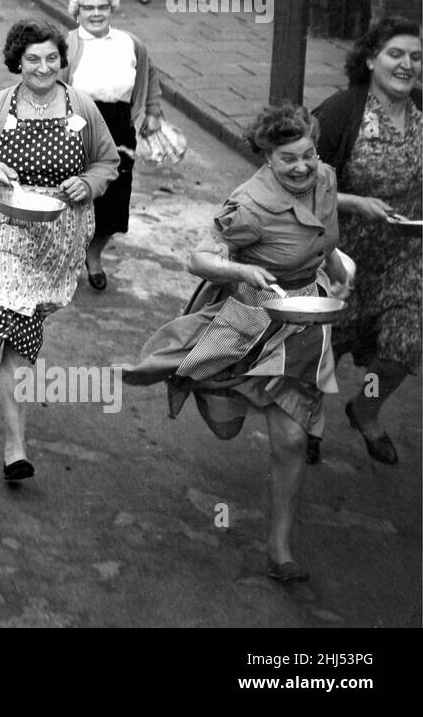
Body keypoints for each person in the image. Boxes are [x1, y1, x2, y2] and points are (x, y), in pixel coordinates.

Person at [124, 105, 352, 583]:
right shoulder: (247, 206)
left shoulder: (326, 179)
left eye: (309, 154)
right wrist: (241, 269)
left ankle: (280, 548)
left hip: (306, 319)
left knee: (290, 436)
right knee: (223, 405)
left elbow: (322, 236)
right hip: (251, 316)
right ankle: (220, 387)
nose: (303, 166)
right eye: (288, 158)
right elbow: (198, 258)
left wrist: (332, 267)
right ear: (267, 157)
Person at [0, 19, 119, 482]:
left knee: (22, 328)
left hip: (60, 237)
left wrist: (88, 182)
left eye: (52, 58)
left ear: (63, 61)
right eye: (32, 59)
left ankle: (6, 375)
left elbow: (108, 162)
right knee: (19, 337)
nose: (43, 67)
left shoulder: (82, 106)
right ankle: (14, 446)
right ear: (17, 62)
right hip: (4, 230)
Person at [312, 18, 422, 467]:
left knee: (405, 343)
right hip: (343, 255)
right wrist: (356, 203)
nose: (407, 64)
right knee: (327, 349)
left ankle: (366, 408)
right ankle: (309, 421)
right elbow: (297, 181)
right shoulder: (342, 111)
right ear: (371, 58)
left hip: (404, 257)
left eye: (416, 57)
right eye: (396, 54)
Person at [60, 0, 163, 290]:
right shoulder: (66, 45)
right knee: (75, 194)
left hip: (119, 125)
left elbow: (150, 74)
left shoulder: (129, 42)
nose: (95, 13)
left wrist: (153, 111)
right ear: (77, 11)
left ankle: (94, 254)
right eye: (88, 8)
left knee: (115, 199)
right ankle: (68, 258)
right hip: (79, 124)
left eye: (102, 7)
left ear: (112, 10)